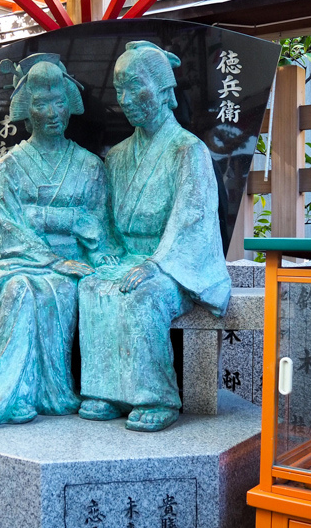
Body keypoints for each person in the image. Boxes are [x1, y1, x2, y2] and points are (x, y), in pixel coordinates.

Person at [0, 54, 116, 430]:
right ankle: (21, 393)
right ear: (28, 109)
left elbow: (97, 224)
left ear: (70, 106)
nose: (52, 112)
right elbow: (8, 227)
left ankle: (54, 392)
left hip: (76, 261)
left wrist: (77, 237)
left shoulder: (90, 165)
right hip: (22, 262)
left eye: (59, 102)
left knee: (58, 290)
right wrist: (58, 243)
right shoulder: (11, 165)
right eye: (41, 103)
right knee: (21, 290)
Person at [78, 40, 231, 432]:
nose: (125, 99)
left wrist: (156, 264)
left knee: (144, 296)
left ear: (164, 92)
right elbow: (104, 219)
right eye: (119, 89)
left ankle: (156, 396)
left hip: (174, 264)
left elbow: (192, 218)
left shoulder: (187, 150)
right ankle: (106, 391)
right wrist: (107, 252)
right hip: (129, 257)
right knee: (94, 285)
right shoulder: (117, 156)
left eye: (134, 87)